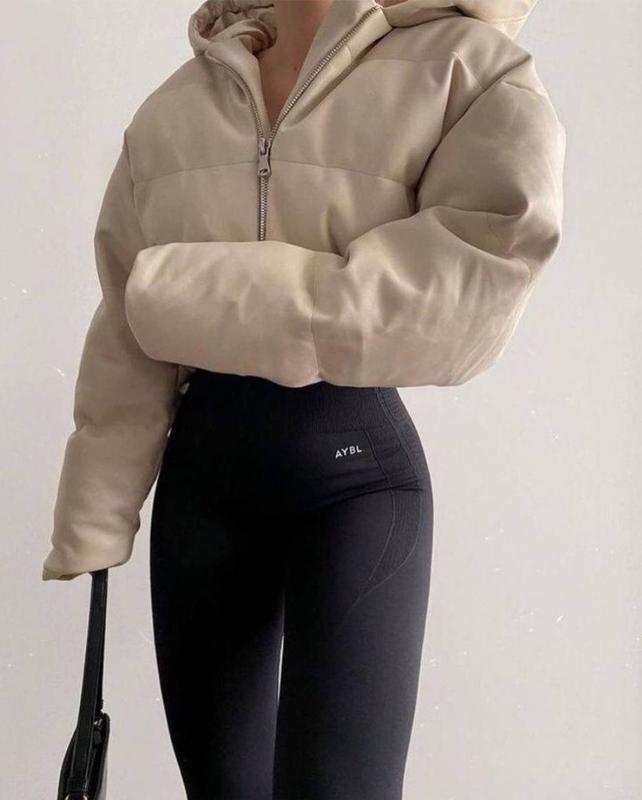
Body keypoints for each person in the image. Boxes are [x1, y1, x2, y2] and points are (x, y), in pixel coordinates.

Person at [42, 0, 565, 797]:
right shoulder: (172, 110)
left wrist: (193, 294)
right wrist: (94, 516)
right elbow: (125, 324)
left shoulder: (466, 68)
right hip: (204, 490)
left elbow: (467, 290)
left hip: (356, 483)